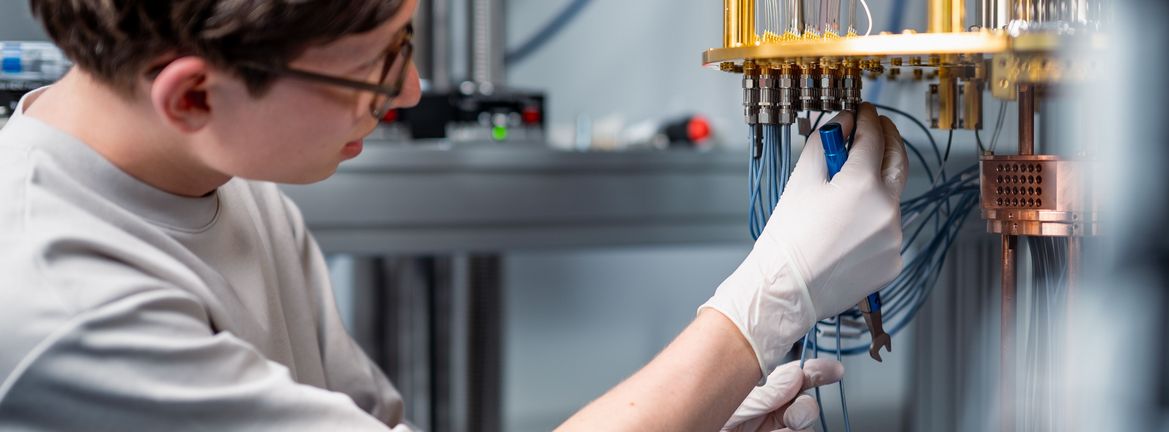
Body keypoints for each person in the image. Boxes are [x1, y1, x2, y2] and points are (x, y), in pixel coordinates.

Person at [0, 0, 907, 430]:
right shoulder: (60, 306)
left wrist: (689, 415)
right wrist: (767, 304)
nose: (412, 90)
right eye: (377, 61)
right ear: (192, 95)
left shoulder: (223, 182)